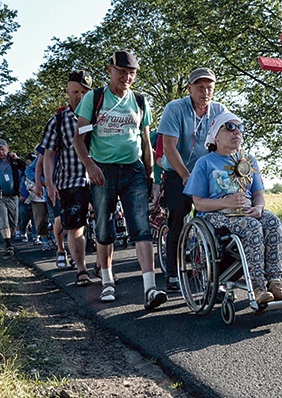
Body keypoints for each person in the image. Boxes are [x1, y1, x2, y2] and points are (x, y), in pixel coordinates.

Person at [73, 50, 167, 310]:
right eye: (122, 71)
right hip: (103, 171)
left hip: (134, 170)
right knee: (104, 229)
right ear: (110, 70)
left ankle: (150, 288)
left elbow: (146, 141)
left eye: (132, 73)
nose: (127, 77)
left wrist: (149, 174)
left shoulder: (139, 101)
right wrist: (90, 166)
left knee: (141, 228)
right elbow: (78, 139)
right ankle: (107, 281)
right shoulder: (94, 98)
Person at [184, 112, 282, 304]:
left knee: (272, 222)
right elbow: (198, 203)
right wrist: (225, 203)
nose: (236, 131)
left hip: (247, 210)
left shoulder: (249, 160)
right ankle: (257, 287)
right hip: (217, 214)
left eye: (240, 127)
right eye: (229, 127)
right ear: (216, 135)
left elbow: (258, 194)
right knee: (252, 227)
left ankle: (275, 284)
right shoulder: (204, 163)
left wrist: (259, 208)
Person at [158, 67, 228, 293]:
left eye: (209, 88)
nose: (205, 92)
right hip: (178, 172)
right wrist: (186, 176)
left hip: (207, 173)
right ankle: (172, 273)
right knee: (177, 218)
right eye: (200, 88)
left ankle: (211, 271)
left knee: (212, 220)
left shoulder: (219, 111)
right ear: (189, 89)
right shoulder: (175, 109)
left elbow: (226, 144)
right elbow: (169, 146)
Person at [42, 70, 94, 286]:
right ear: (67, 91)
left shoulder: (98, 115)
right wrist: (49, 183)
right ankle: (81, 269)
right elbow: (49, 154)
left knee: (104, 226)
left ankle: (104, 266)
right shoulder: (58, 120)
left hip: (99, 178)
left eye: (84, 91)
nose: (79, 96)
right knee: (75, 227)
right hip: (71, 180)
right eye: (75, 91)